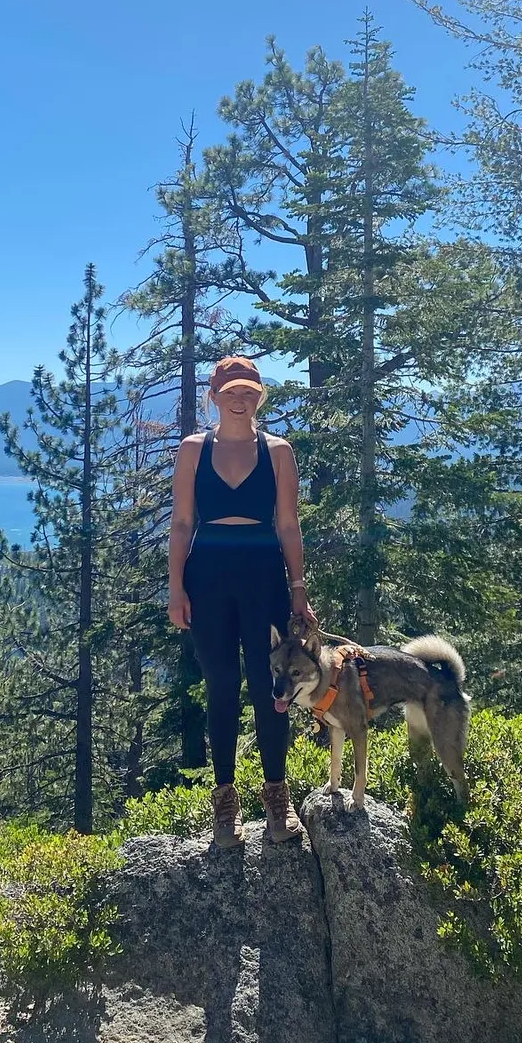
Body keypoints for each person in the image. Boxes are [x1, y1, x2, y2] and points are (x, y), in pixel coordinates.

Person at [168, 354, 317, 848]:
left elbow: (289, 525)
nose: (239, 399)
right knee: (221, 687)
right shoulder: (193, 449)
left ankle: (277, 796)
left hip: (263, 575)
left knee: (272, 688)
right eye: (229, 391)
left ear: (260, 397)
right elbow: (183, 525)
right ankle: (225, 803)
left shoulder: (279, 452)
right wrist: (176, 588)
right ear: (213, 396)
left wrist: (298, 589)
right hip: (206, 574)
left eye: (248, 391)